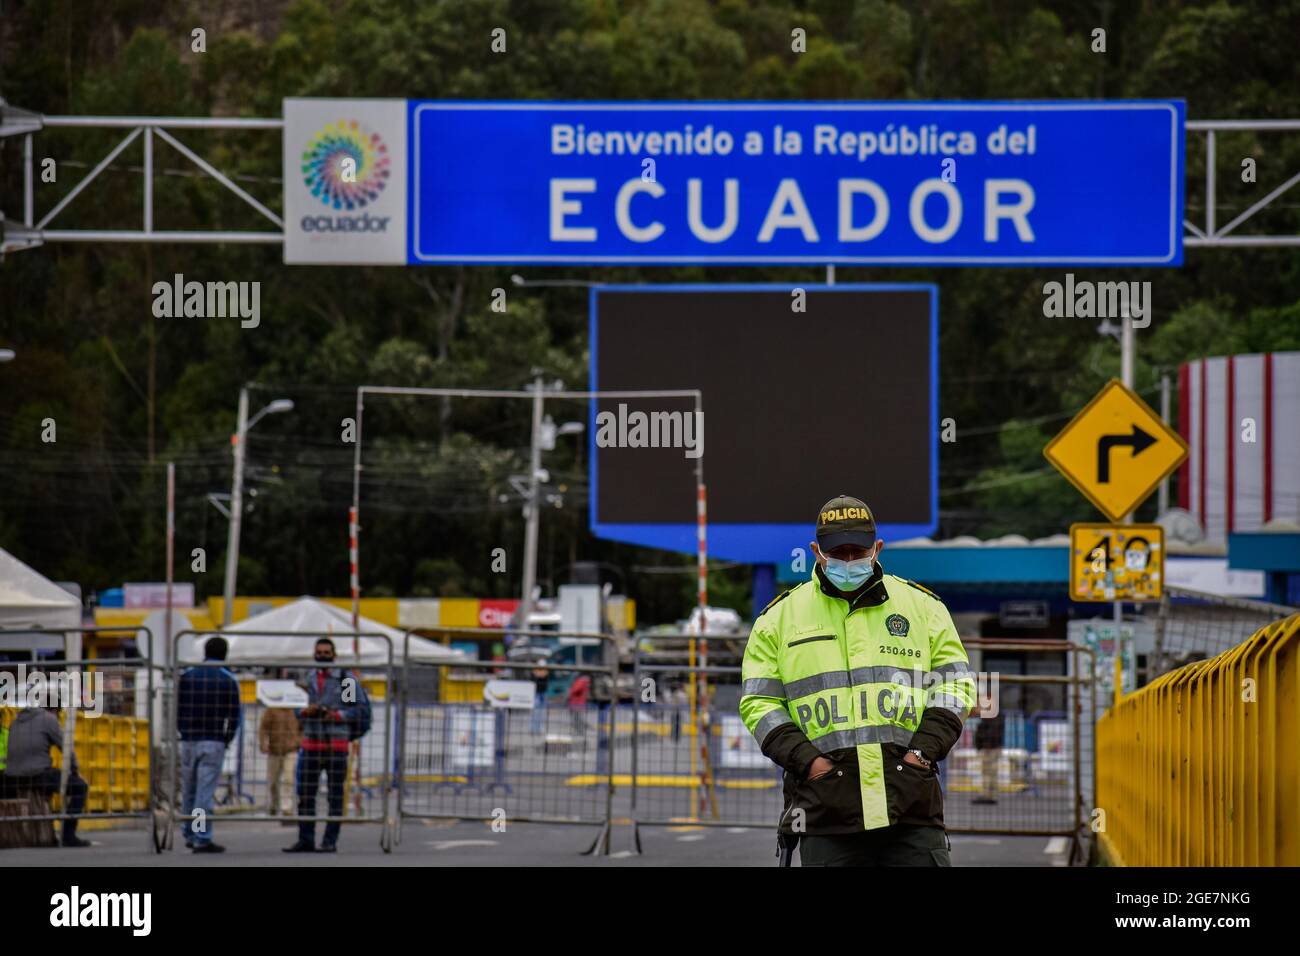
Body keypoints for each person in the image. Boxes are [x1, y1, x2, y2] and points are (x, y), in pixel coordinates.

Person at [740, 495, 976, 867]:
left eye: (858, 550)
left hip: (910, 808)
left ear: (877, 548)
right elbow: (759, 704)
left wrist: (921, 754)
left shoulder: (924, 608)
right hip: (827, 812)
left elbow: (956, 686)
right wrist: (811, 763)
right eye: (839, 552)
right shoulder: (777, 619)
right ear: (817, 551)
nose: (849, 560)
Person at [284, 638, 369, 853]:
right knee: (305, 793)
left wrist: (335, 715)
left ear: (334, 654)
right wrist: (305, 712)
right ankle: (306, 838)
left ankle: (330, 840)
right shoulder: (309, 677)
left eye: (326, 652)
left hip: (336, 744)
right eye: (319, 652)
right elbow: (296, 707)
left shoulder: (344, 679)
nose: (322, 656)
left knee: (335, 795)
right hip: (311, 743)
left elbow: (354, 710)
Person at [177, 636, 242, 853]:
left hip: (188, 739)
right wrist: (227, 738)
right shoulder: (228, 679)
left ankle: (188, 831)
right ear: (224, 653)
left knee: (188, 788)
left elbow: (178, 707)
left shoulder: (187, 676)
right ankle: (200, 836)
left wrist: (182, 730)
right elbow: (234, 714)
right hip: (213, 739)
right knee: (204, 792)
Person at [3, 703, 91, 847]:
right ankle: (68, 836)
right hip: (37, 775)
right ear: (54, 710)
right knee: (79, 787)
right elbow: (67, 749)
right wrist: (75, 771)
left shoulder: (16, 720)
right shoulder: (48, 719)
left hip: (11, 777)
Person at [258, 682, 301, 816]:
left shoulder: (296, 710)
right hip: (274, 750)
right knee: (273, 781)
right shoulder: (271, 710)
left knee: (288, 779)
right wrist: (263, 743)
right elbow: (263, 728)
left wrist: (299, 741)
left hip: (291, 749)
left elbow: (303, 728)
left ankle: (286, 807)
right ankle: (274, 804)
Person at [972, 711, 1005, 805]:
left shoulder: (991, 716)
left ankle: (987, 794)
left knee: (987, 772)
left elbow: (989, 730)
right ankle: (991, 794)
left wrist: (985, 744)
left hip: (989, 748)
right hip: (993, 747)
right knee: (992, 773)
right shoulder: (997, 714)